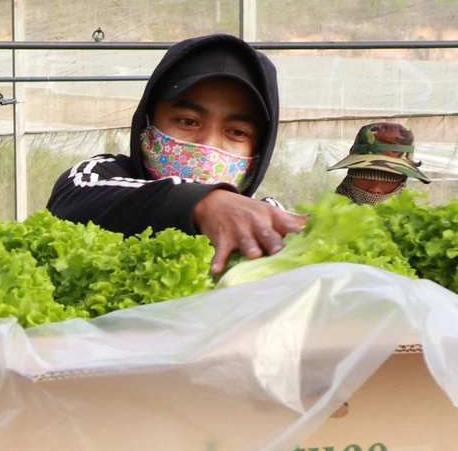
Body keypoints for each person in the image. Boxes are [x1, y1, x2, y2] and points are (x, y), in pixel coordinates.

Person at [47, 33, 303, 275]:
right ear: (147, 121)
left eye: (236, 132)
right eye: (188, 121)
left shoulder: (267, 219)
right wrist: (202, 203)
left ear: (259, 150)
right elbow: (73, 200)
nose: (207, 146)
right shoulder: (99, 175)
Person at [328, 121, 428, 206]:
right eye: (366, 177)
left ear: (402, 180)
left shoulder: (422, 224)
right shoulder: (319, 223)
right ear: (351, 175)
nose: (375, 189)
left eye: (389, 179)